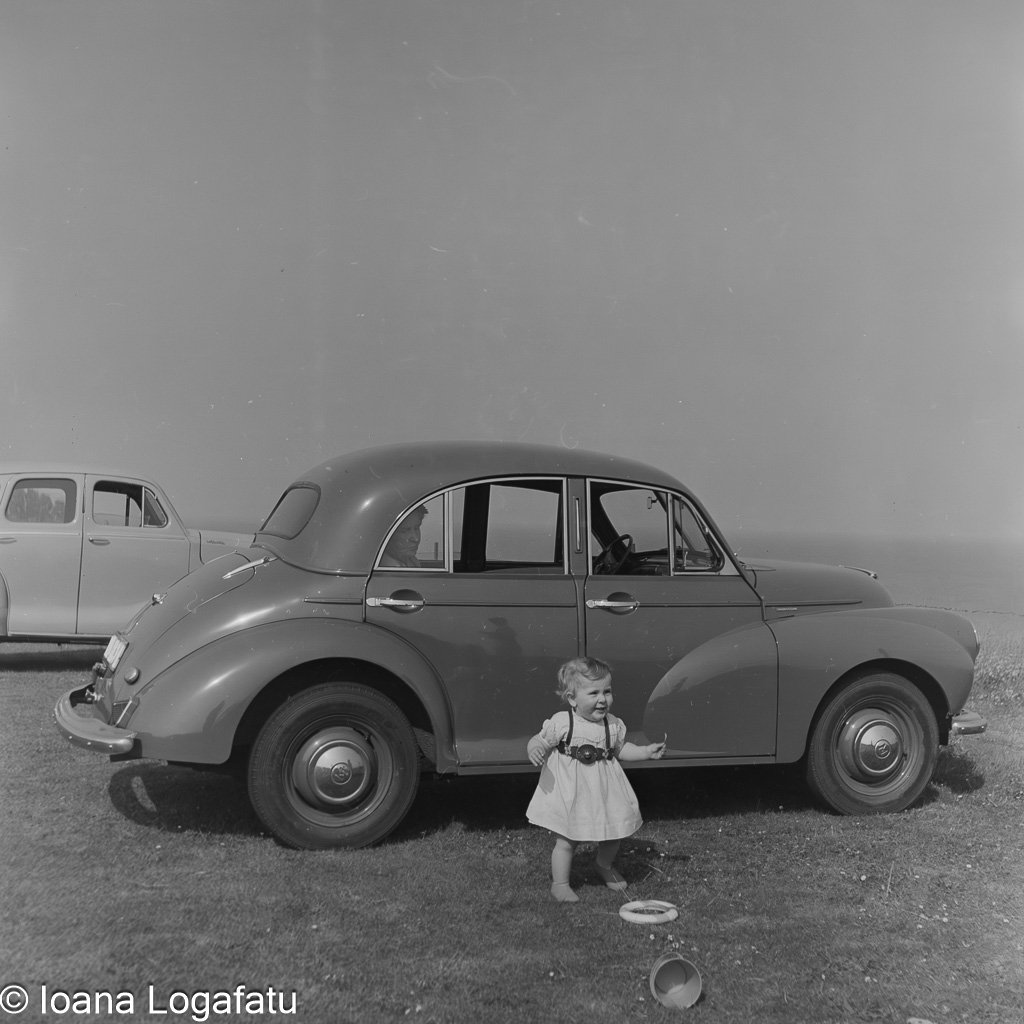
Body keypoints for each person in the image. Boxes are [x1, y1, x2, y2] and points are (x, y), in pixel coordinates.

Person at [526, 656, 666, 902]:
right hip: (572, 788)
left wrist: (644, 752)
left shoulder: (611, 724)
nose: (602, 699)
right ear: (572, 699)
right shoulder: (562, 722)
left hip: (604, 787)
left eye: (607, 691)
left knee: (613, 833)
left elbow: (621, 749)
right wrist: (534, 748)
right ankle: (560, 883)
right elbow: (540, 739)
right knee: (568, 838)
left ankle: (604, 865)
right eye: (593, 693)